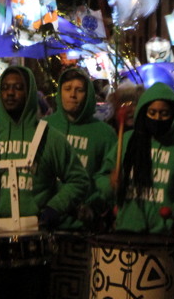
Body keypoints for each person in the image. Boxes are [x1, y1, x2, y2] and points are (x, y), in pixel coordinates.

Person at [0, 65, 89, 298]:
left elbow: (79, 179)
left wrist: (55, 207)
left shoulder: (49, 136)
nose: (10, 93)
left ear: (30, 92)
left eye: (18, 88)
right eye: (5, 88)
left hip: (36, 241)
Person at [98, 82, 174, 235]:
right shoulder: (127, 141)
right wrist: (110, 183)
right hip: (126, 231)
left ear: (173, 115)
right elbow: (101, 178)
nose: (157, 118)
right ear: (144, 112)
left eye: (164, 114)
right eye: (152, 112)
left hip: (166, 237)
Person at [43, 67, 115, 230]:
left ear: (88, 94)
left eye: (79, 90)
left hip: (85, 224)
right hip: (47, 221)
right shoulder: (45, 127)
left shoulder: (104, 133)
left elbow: (107, 176)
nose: (72, 95)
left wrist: (93, 203)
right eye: (67, 89)